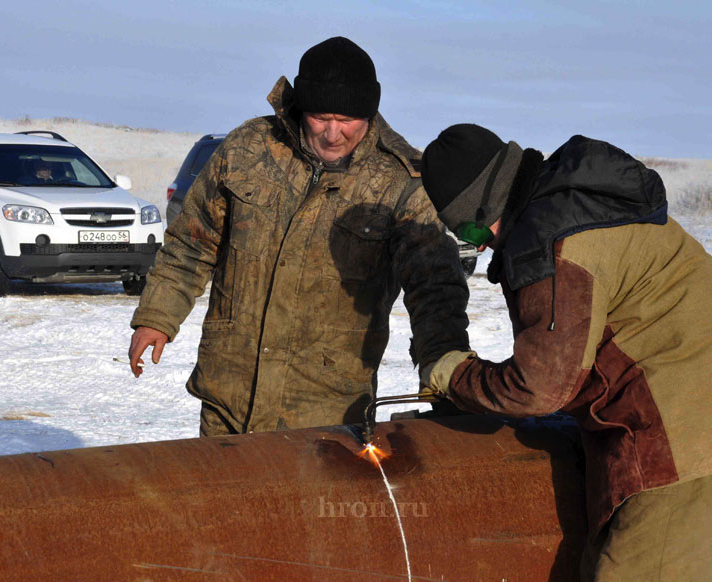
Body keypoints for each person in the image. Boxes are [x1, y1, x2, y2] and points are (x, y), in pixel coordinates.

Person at [419, 124, 712, 582]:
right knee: (608, 569)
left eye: (471, 230)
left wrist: (455, 375)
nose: (481, 245)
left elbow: (540, 387)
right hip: (703, 405)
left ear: (488, 205)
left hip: (685, 424)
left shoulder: (552, 238)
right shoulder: (577, 203)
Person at [128, 37, 469, 436]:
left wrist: (445, 371)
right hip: (229, 394)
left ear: (370, 112)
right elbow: (191, 242)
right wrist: (157, 316)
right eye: (321, 117)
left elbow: (435, 289)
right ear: (301, 106)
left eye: (347, 120)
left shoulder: (400, 182)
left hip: (327, 410)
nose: (332, 133)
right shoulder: (249, 149)